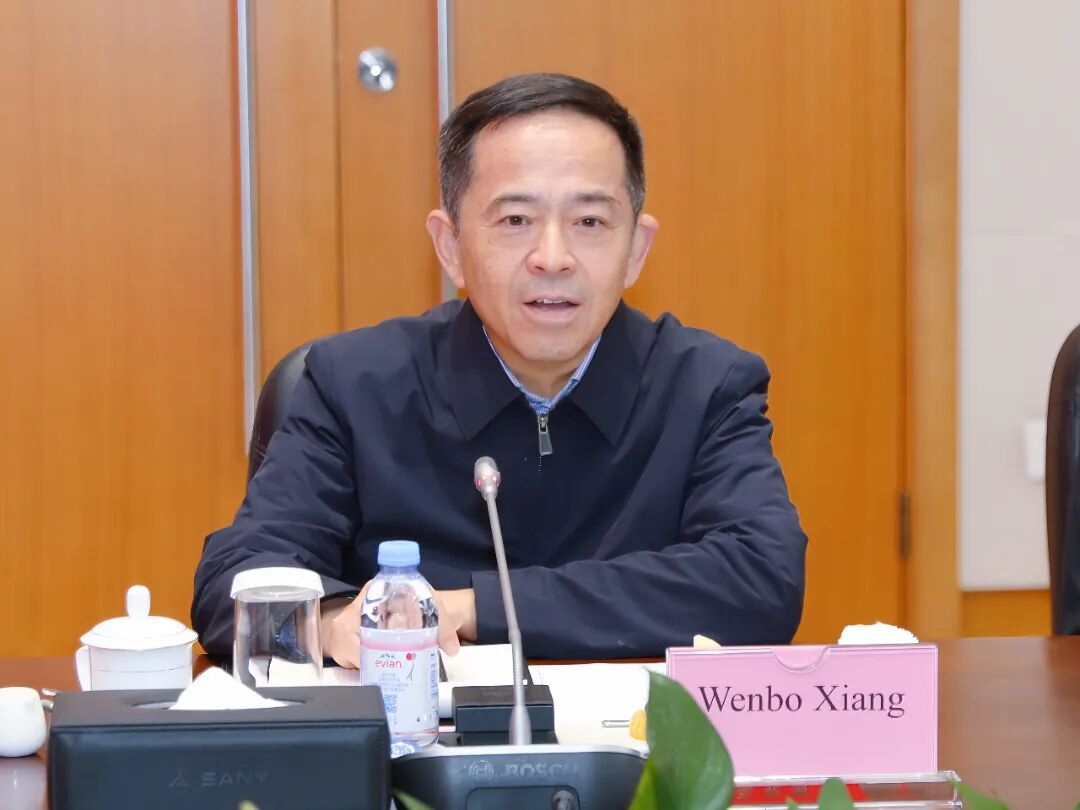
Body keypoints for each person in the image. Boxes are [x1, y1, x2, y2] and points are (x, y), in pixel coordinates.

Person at [192, 73, 807, 664]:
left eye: (589, 222)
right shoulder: (354, 384)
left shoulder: (706, 386)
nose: (553, 258)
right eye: (515, 221)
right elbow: (233, 584)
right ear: (450, 246)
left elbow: (761, 580)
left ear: (636, 250)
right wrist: (331, 625)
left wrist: (471, 607)